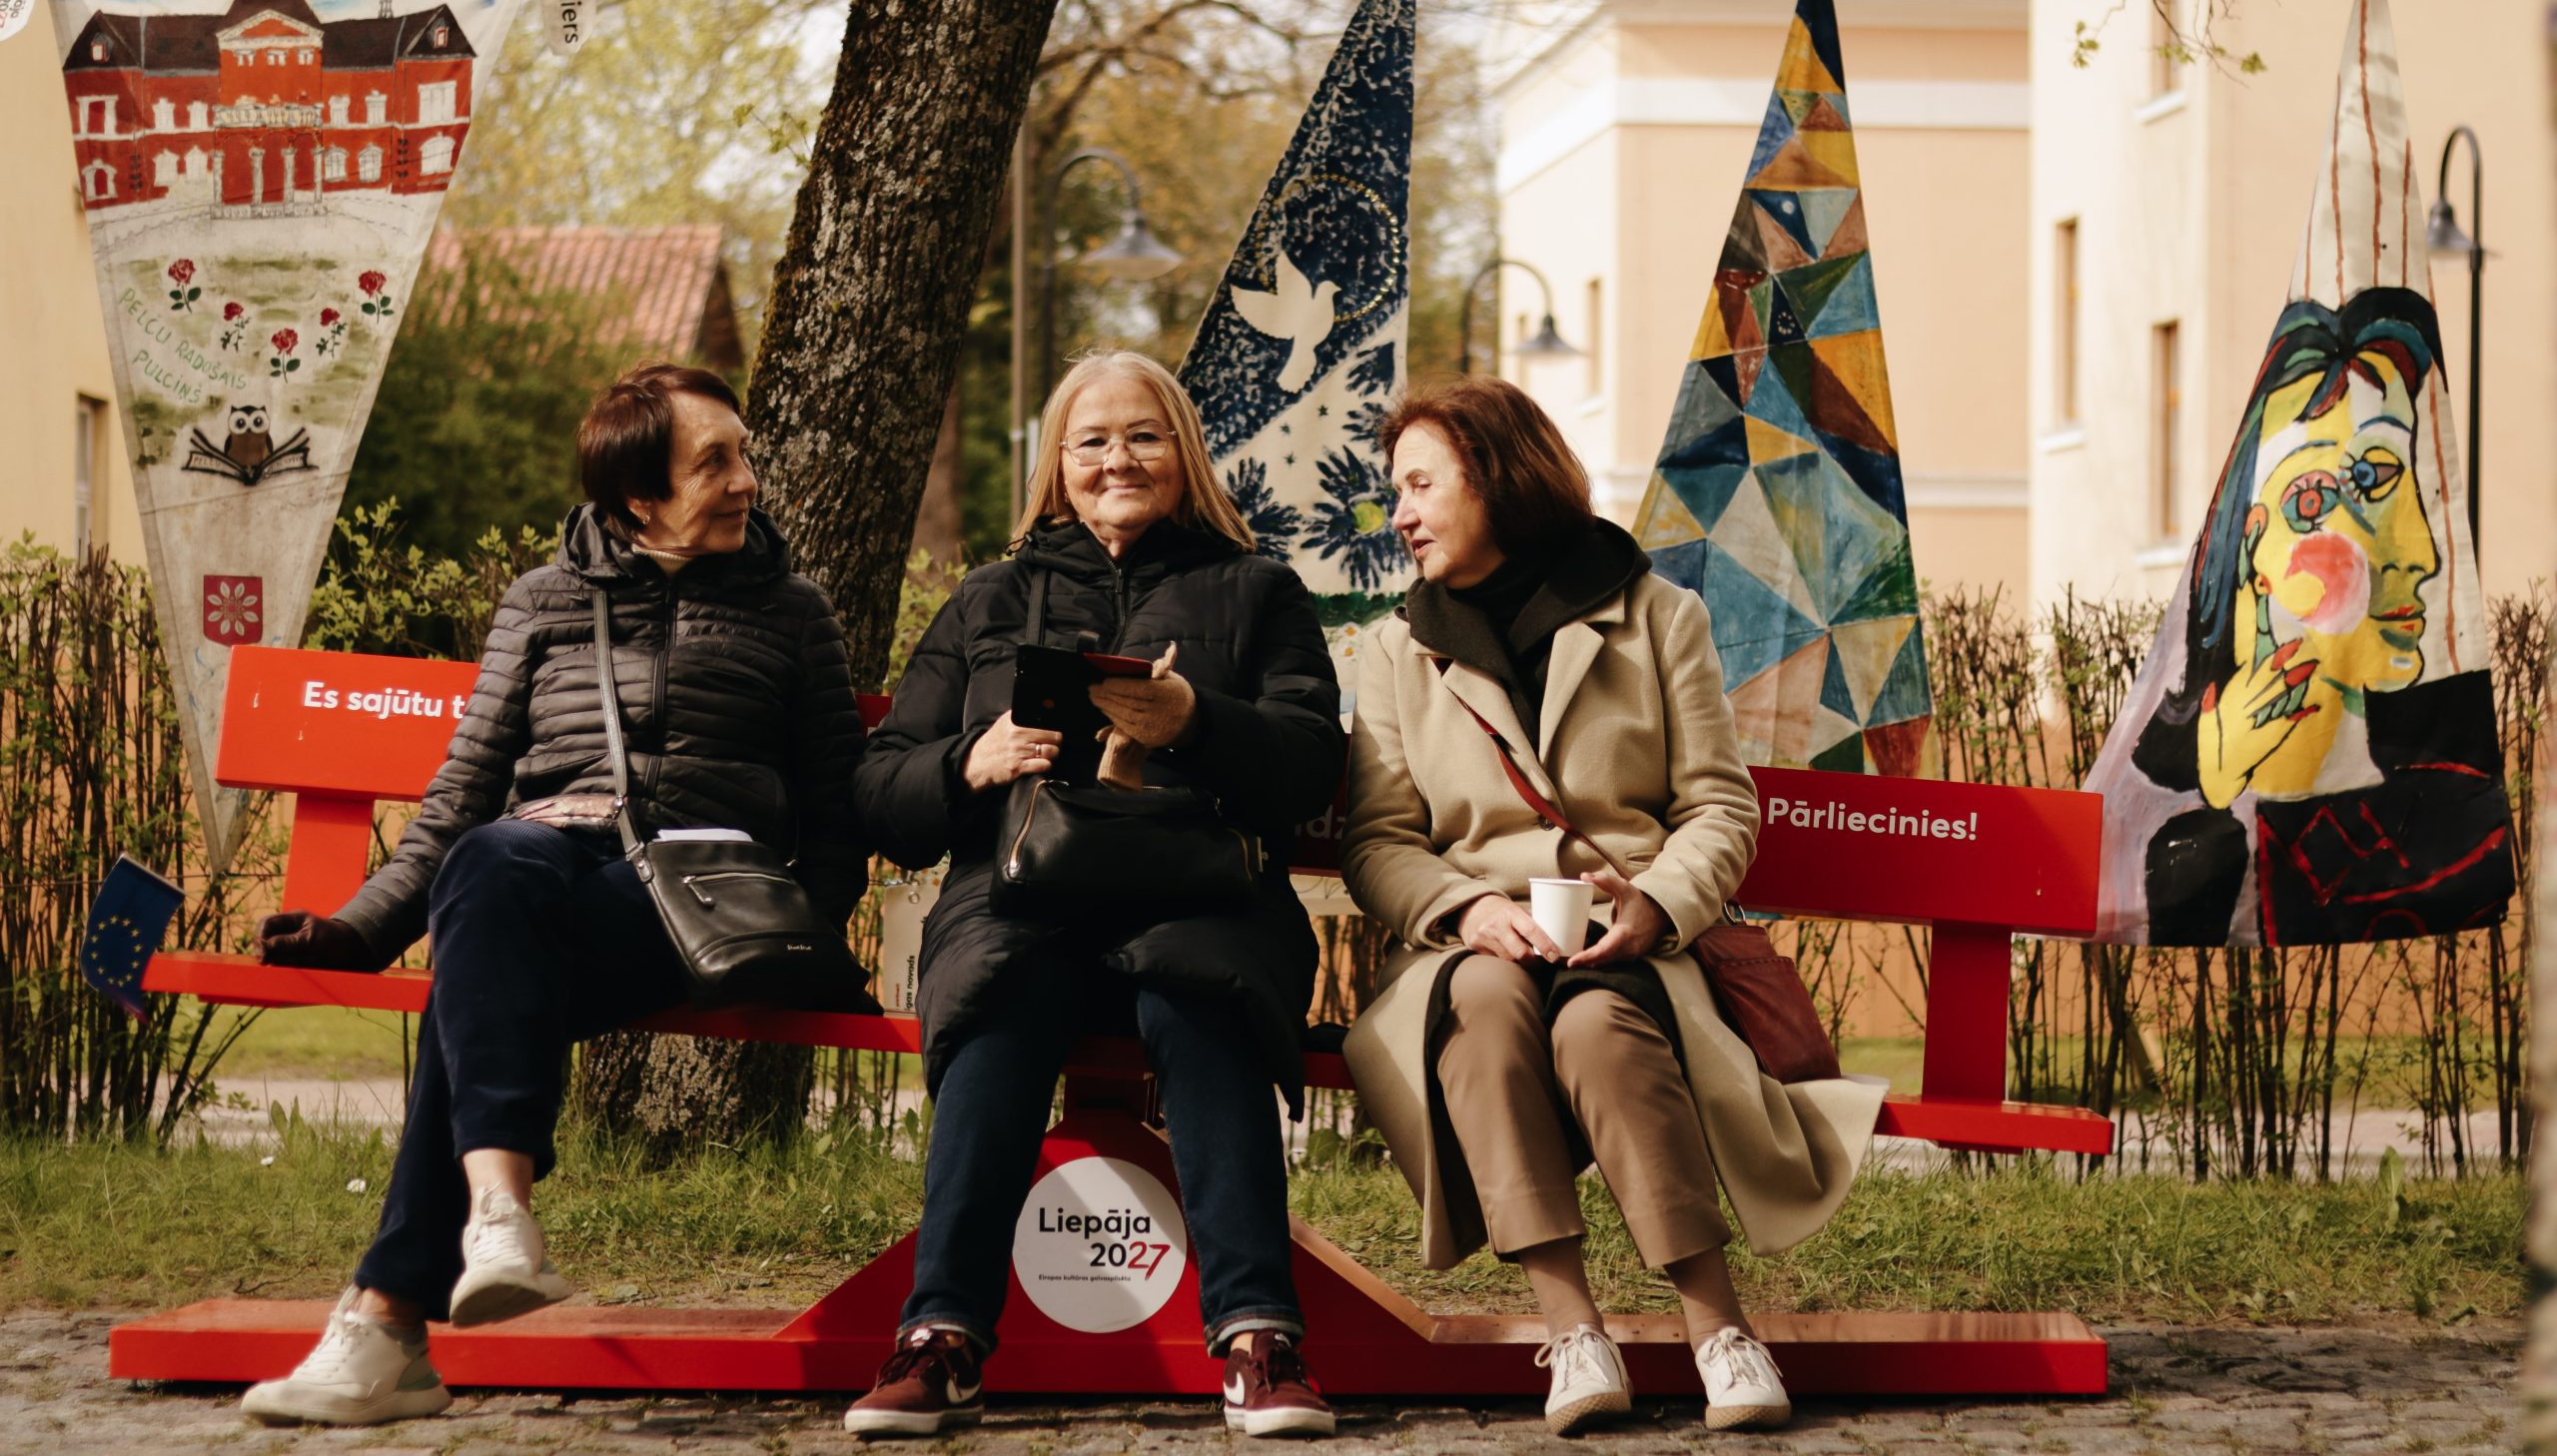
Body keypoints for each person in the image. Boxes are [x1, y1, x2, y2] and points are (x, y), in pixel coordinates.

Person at [238, 362, 870, 1427]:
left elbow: (838, 808)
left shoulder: (791, 609)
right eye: (714, 463)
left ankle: (394, 1312)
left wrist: (802, 924)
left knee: (477, 975)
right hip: (542, 871)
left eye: (744, 455)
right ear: (639, 497)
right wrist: (357, 929)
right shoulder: (543, 600)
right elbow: (460, 796)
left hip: (699, 898)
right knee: (491, 857)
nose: (746, 480)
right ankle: (493, 1216)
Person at [1338, 377, 1880, 1436]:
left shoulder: (1657, 615)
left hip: (1630, 939)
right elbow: (1380, 840)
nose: (1399, 514)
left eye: (1420, 485)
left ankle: (1719, 1330)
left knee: (1597, 1028)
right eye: (1395, 490)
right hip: (1472, 945)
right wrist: (1464, 909)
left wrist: (1657, 902)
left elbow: (1719, 805)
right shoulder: (1396, 648)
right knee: (1482, 1008)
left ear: (1495, 478)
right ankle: (1573, 1330)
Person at [846, 352, 1343, 1439]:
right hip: (1020, 900)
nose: (1119, 459)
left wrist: (1196, 722)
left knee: (1198, 990)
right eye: (1093, 441)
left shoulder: (1257, 590)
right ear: (1058, 465)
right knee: (999, 994)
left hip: (1203, 899)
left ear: (1184, 452)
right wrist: (967, 762)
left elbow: (1311, 769)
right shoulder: (991, 596)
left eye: (1143, 435)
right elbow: (880, 792)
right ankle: (940, 1338)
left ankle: (1259, 1340)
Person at [2118, 288, 2512, 945]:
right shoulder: (2189, 852)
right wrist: (2218, 782)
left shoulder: (2454, 814)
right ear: (2253, 547)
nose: (2420, 553)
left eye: (2396, 480)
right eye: (2324, 497)